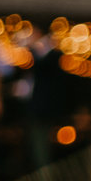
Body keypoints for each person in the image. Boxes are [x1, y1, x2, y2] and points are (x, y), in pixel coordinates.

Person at [24, 29, 71, 171]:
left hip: (44, 108)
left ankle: (44, 173)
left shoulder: (52, 55)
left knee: (42, 142)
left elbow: (42, 68)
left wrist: (32, 48)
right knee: (37, 142)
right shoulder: (46, 55)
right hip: (38, 107)